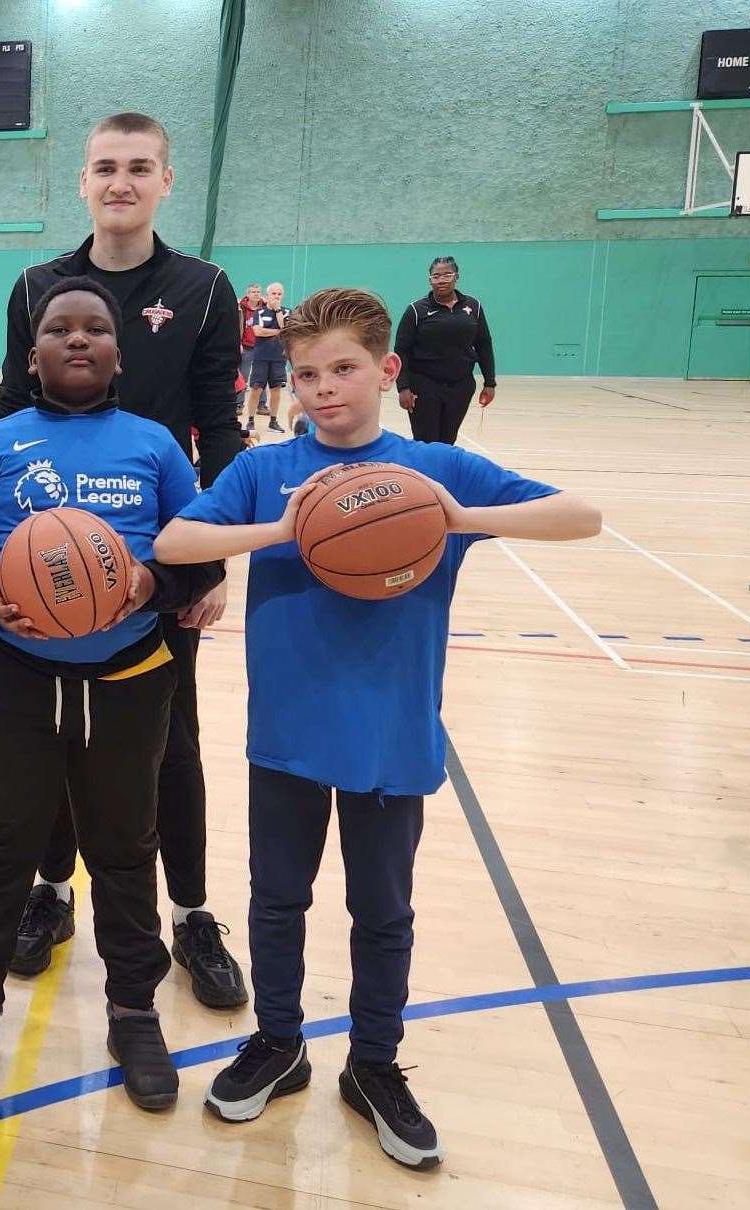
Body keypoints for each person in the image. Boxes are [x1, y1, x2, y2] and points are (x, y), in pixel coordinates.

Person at [154, 286, 600, 1169]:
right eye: (308, 372)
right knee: (277, 899)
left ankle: (375, 1064)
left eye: (345, 370)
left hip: (392, 733)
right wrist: (282, 529)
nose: (324, 389)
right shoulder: (261, 471)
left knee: (382, 911)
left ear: (387, 371)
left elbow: (580, 515)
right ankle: (278, 1044)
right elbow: (171, 543)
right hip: (284, 730)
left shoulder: (431, 470)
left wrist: (458, 517)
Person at [0, 277, 222, 1111]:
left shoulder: (156, 445)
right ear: (33, 353)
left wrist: (150, 583)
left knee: (126, 849)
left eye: (96, 328)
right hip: (15, 680)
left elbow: (201, 555)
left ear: (120, 352)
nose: (79, 339)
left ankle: (134, 1010)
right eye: (61, 329)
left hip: (128, 680)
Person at [0, 111, 246, 1010]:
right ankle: (51, 893)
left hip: (156, 564)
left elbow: (219, 426)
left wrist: (209, 563)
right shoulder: (36, 285)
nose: (121, 182)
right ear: (84, 180)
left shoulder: (206, 289)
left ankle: (193, 913)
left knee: (172, 742)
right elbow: (8, 413)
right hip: (49, 561)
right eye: (106, 167)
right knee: (58, 734)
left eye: (140, 167)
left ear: (166, 181)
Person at [394, 256, 496, 445]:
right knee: (426, 442)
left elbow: (484, 344)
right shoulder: (416, 310)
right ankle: (424, 475)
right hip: (424, 386)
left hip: (461, 386)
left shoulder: (474, 307)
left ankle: (441, 475)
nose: (441, 280)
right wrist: (403, 387)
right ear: (430, 279)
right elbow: (401, 351)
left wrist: (490, 382)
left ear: (456, 276)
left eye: (447, 275)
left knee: (448, 440)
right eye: (436, 276)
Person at [242, 283, 289, 439]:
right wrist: (278, 332)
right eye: (273, 294)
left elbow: (286, 330)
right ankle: (250, 420)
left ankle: (273, 421)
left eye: (279, 294)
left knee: (276, 390)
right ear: (268, 295)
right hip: (261, 356)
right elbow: (258, 331)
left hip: (278, 358)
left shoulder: (287, 312)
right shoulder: (260, 312)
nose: (276, 296)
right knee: (256, 388)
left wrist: (277, 312)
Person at [238, 282, 264, 414]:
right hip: (246, 347)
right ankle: (238, 404)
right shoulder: (240, 308)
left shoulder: (265, 308)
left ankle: (262, 405)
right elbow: (237, 326)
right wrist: (238, 343)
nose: (256, 294)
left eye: (258, 292)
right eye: (253, 292)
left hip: (262, 347)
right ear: (248, 294)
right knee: (243, 377)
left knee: (261, 377)